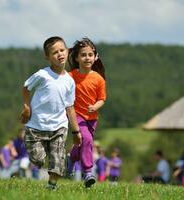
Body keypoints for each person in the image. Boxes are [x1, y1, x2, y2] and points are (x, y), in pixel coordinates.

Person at [20, 36, 82, 190]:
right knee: (38, 159)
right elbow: (26, 87)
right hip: (36, 125)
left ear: (67, 52)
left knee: (57, 159)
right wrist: (27, 107)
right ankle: (41, 156)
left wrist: (76, 131)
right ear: (47, 57)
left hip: (59, 127)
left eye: (62, 50)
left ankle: (52, 186)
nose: (59, 54)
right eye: (55, 52)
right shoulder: (43, 75)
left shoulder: (69, 81)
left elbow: (70, 107)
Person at [68, 37, 106, 188]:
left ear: (95, 57)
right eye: (83, 55)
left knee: (82, 143)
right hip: (76, 116)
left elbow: (102, 98)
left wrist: (95, 107)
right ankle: (88, 172)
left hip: (92, 117)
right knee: (87, 140)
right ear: (77, 58)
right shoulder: (70, 76)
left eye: (90, 55)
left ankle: (71, 159)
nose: (87, 58)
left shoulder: (98, 79)